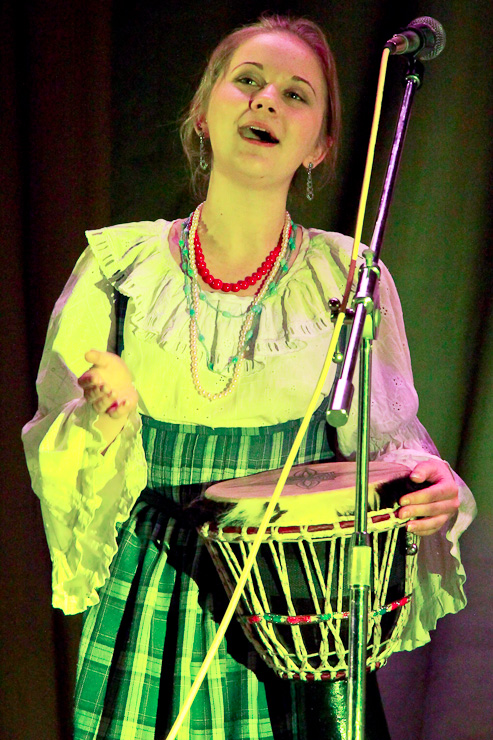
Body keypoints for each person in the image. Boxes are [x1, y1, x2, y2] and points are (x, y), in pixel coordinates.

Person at [22, 14, 475, 740]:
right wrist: (105, 419)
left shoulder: (346, 277)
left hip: (296, 606)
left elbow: (387, 447)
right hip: (160, 594)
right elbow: (59, 458)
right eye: (247, 81)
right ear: (203, 113)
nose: (267, 99)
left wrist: (430, 487)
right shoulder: (120, 270)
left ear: (320, 144)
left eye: (296, 94)